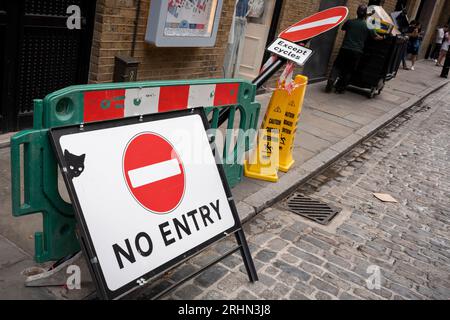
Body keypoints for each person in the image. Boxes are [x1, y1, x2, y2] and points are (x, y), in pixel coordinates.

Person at [326, 4, 383, 93]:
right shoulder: (368, 25)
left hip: (345, 48)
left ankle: (331, 79)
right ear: (365, 14)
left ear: (357, 12)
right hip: (357, 51)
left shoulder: (350, 22)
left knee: (337, 66)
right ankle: (340, 88)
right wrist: (383, 37)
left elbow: (343, 28)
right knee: (348, 70)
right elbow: (376, 37)